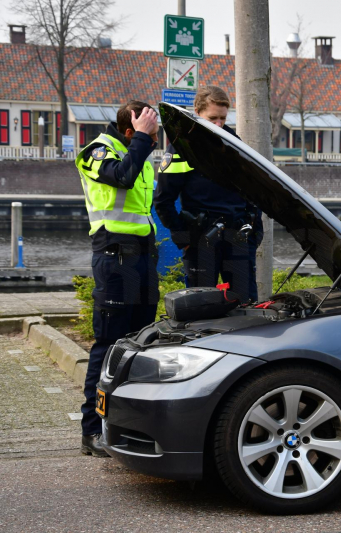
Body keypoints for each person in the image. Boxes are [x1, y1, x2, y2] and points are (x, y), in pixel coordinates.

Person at [75, 101, 161, 457]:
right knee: (109, 345)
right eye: (149, 134)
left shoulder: (140, 153)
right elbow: (121, 176)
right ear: (130, 131)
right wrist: (142, 139)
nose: (153, 141)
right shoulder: (95, 152)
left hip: (143, 257)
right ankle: (92, 430)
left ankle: (128, 425)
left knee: (142, 344)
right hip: (114, 257)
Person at [154, 86, 263, 301]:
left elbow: (253, 191)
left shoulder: (235, 144)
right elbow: (163, 200)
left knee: (245, 305)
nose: (218, 124)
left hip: (237, 238)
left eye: (222, 118)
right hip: (201, 240)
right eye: (212, 118)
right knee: (201, 307)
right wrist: (183, 238)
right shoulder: (182, 148)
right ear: (197, 112)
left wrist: (255, 232)